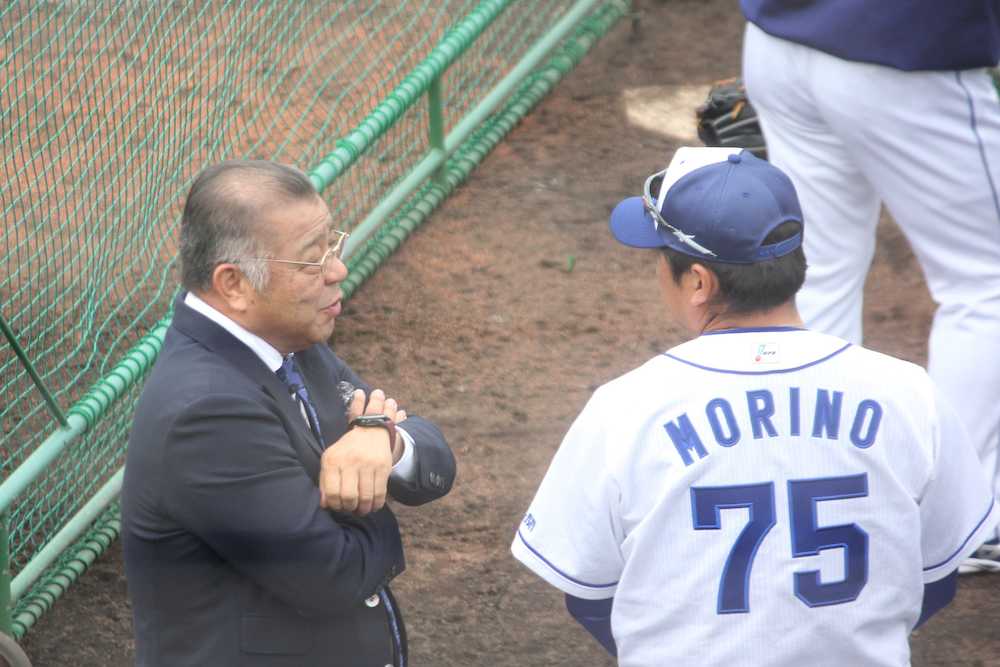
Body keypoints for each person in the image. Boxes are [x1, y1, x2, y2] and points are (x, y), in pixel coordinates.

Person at [511, 147, 998, 666]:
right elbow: (939, 578)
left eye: (660, 257)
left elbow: (587, 594)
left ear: (699, 282)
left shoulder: (625, 409)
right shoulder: (908, 393)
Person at [122, 160, 456, 667]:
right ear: (234, 284)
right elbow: (332, 574)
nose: (337, 269)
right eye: (311, 259)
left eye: (332, 243)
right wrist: (371, 503)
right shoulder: (206, 414)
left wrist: (384, 444)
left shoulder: (288, 342)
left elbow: (433, 461)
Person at [738, 0, 1000, 572]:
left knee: (816, 272)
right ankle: (966, 518)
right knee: (988, 284)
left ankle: (805, 491)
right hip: (904, 57)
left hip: (777, 43)